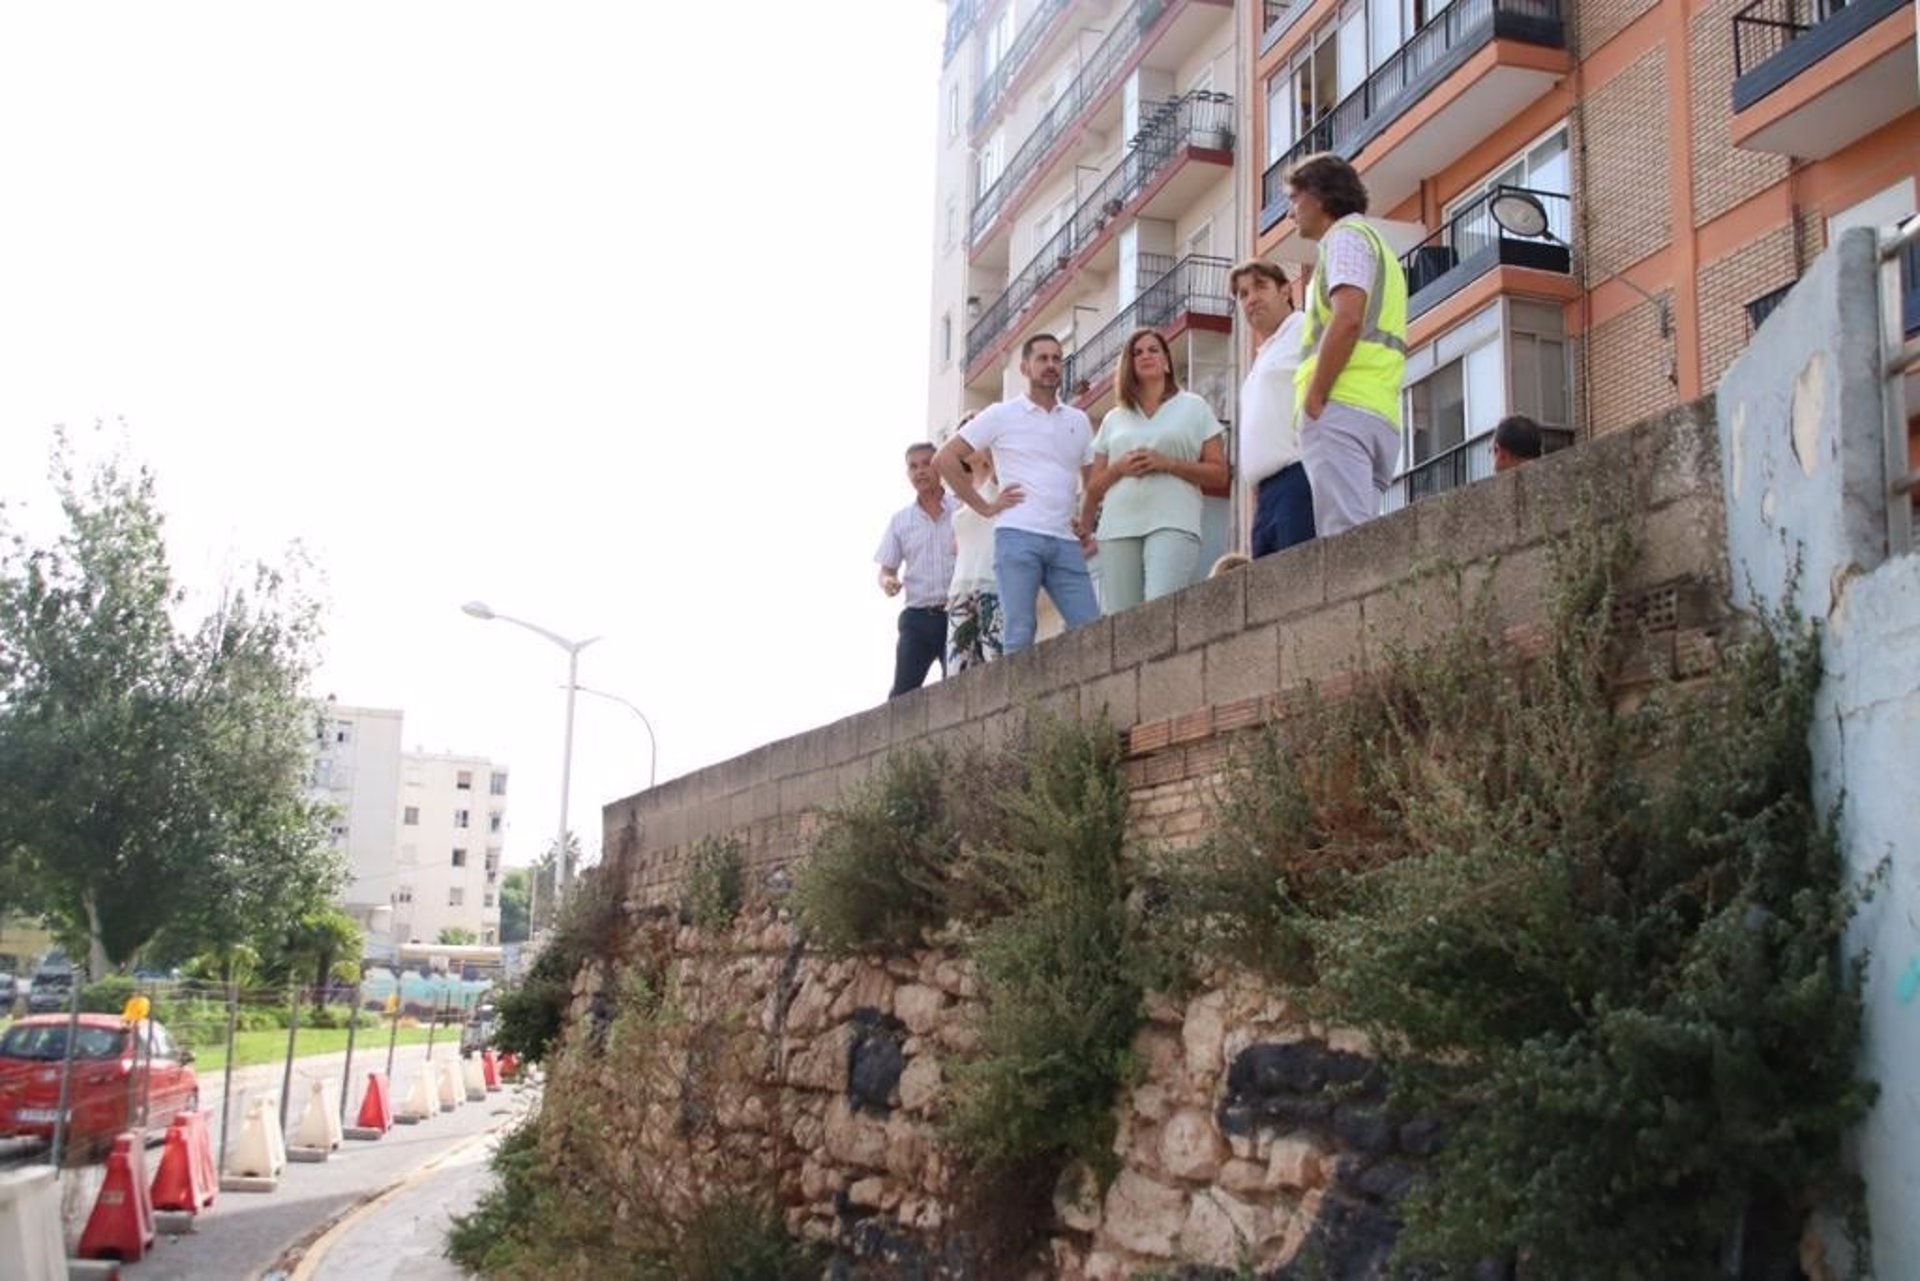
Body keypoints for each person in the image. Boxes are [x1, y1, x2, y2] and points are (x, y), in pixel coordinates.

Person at [935, 333, 1100, 655]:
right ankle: (1019, 707)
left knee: (1091, 629)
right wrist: (984, 506)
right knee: (1020, 633)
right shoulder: (1001, 414)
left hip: (1064, 541)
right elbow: (945, 458)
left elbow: (1091, 481)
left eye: (1056, 358)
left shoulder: (1078, 421)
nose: (1051, 365)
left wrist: (1085, 522)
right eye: (1042, 358)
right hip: (1018, 536)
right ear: (1024, 367)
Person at [1288, 152, 1409, 536]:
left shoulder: (1344, 238)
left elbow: (1348, 318)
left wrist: (1315, 395)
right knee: (1363, 539)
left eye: (1295, 198)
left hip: (1341, 408)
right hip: (1378, 412)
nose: (1291, 211)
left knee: (1345, 542)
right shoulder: (1379, 248)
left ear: (1320, 197)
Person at [1079, 327, 1229, 610]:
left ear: (1167, 360)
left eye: (1153, 350)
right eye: (1137, 352)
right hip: (1118, 527)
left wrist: (1167, 463)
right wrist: (1120, 468)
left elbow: (1219, 473)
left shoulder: (1194, 407)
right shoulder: (1114, 419)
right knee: (1121, 622)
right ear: (1129, 365)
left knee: (1161, 609)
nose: (1145, 356)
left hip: (1174, 520)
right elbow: (1095, 487)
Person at [1230, 258, 1314, 557]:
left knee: (1300, 585)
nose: (1251, 298)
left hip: (1298, 476)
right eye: (1242, 294)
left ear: (1285, 291)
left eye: (1260, 287)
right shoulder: (1263, 355)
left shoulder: (1305, 328)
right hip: (1264, 495)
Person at [875, 441, 957, 698]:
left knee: (957, 687)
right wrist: (889, 581)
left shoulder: (962, 508)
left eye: (927, 464)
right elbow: (886, 569)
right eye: (913, 467)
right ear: (908, 474)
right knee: (902, 695)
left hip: (957, 613)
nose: (920, 471)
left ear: (939, 467)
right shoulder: (900, 521)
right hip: (917, 619)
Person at [945, 413, 1003, 671]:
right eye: (962, 434)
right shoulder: (960, 494)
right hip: (960, 587)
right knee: (958, 668)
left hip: (992, 581)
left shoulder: (1001, 478)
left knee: (997, 658)